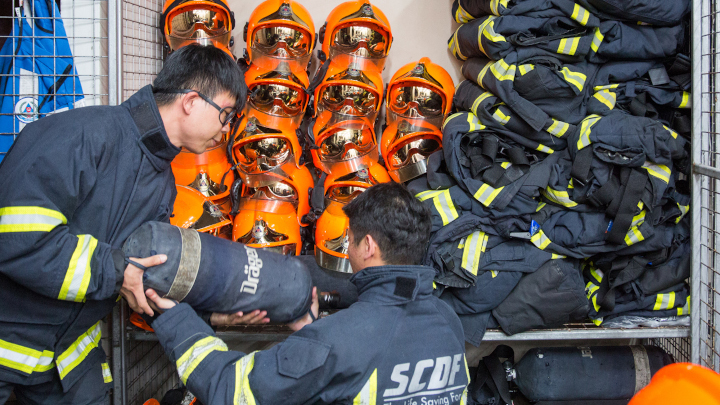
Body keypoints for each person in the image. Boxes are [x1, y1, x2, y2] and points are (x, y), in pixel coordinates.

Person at [0, 44, 251, 404]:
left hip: (66, 352)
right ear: (192, 101)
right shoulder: (83, 136)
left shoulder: (162, 181)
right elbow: (19, 237)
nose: (225, 130)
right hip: (11, 334)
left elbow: (146, 275)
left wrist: (213, 313)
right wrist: (118, 271)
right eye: (225, 114)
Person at [145, 182, 470, 405]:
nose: (349, 249)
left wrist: (176, 318)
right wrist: (314, 336)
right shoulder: (447, 321)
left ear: (368, 246)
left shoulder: (339, 341)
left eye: (350, 240)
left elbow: (228, 389)